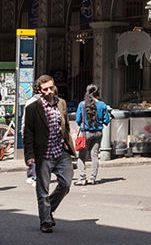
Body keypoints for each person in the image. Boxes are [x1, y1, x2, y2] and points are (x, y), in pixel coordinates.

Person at [23, 74, 75, 233]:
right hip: (43, 154)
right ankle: (45, 221)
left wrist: (69, 143)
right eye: (45, 89)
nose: (49, 91)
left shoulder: (62, 103)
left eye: (51, 87)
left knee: (65, 184)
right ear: (39, 90)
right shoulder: (32, 108)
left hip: (61, 151)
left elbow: (65, 126)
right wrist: (29, 155)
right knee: (42, 190)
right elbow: (28, 133)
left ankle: (48, 208)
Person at [74, 84, 110, 185]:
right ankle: (92, 178)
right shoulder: (102, 105)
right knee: (94, 156)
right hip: (98, 133)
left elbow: (77, 119)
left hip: (85, 133)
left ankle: (82, 179)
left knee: (81, 156)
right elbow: (106, 120)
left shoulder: (82, 104)